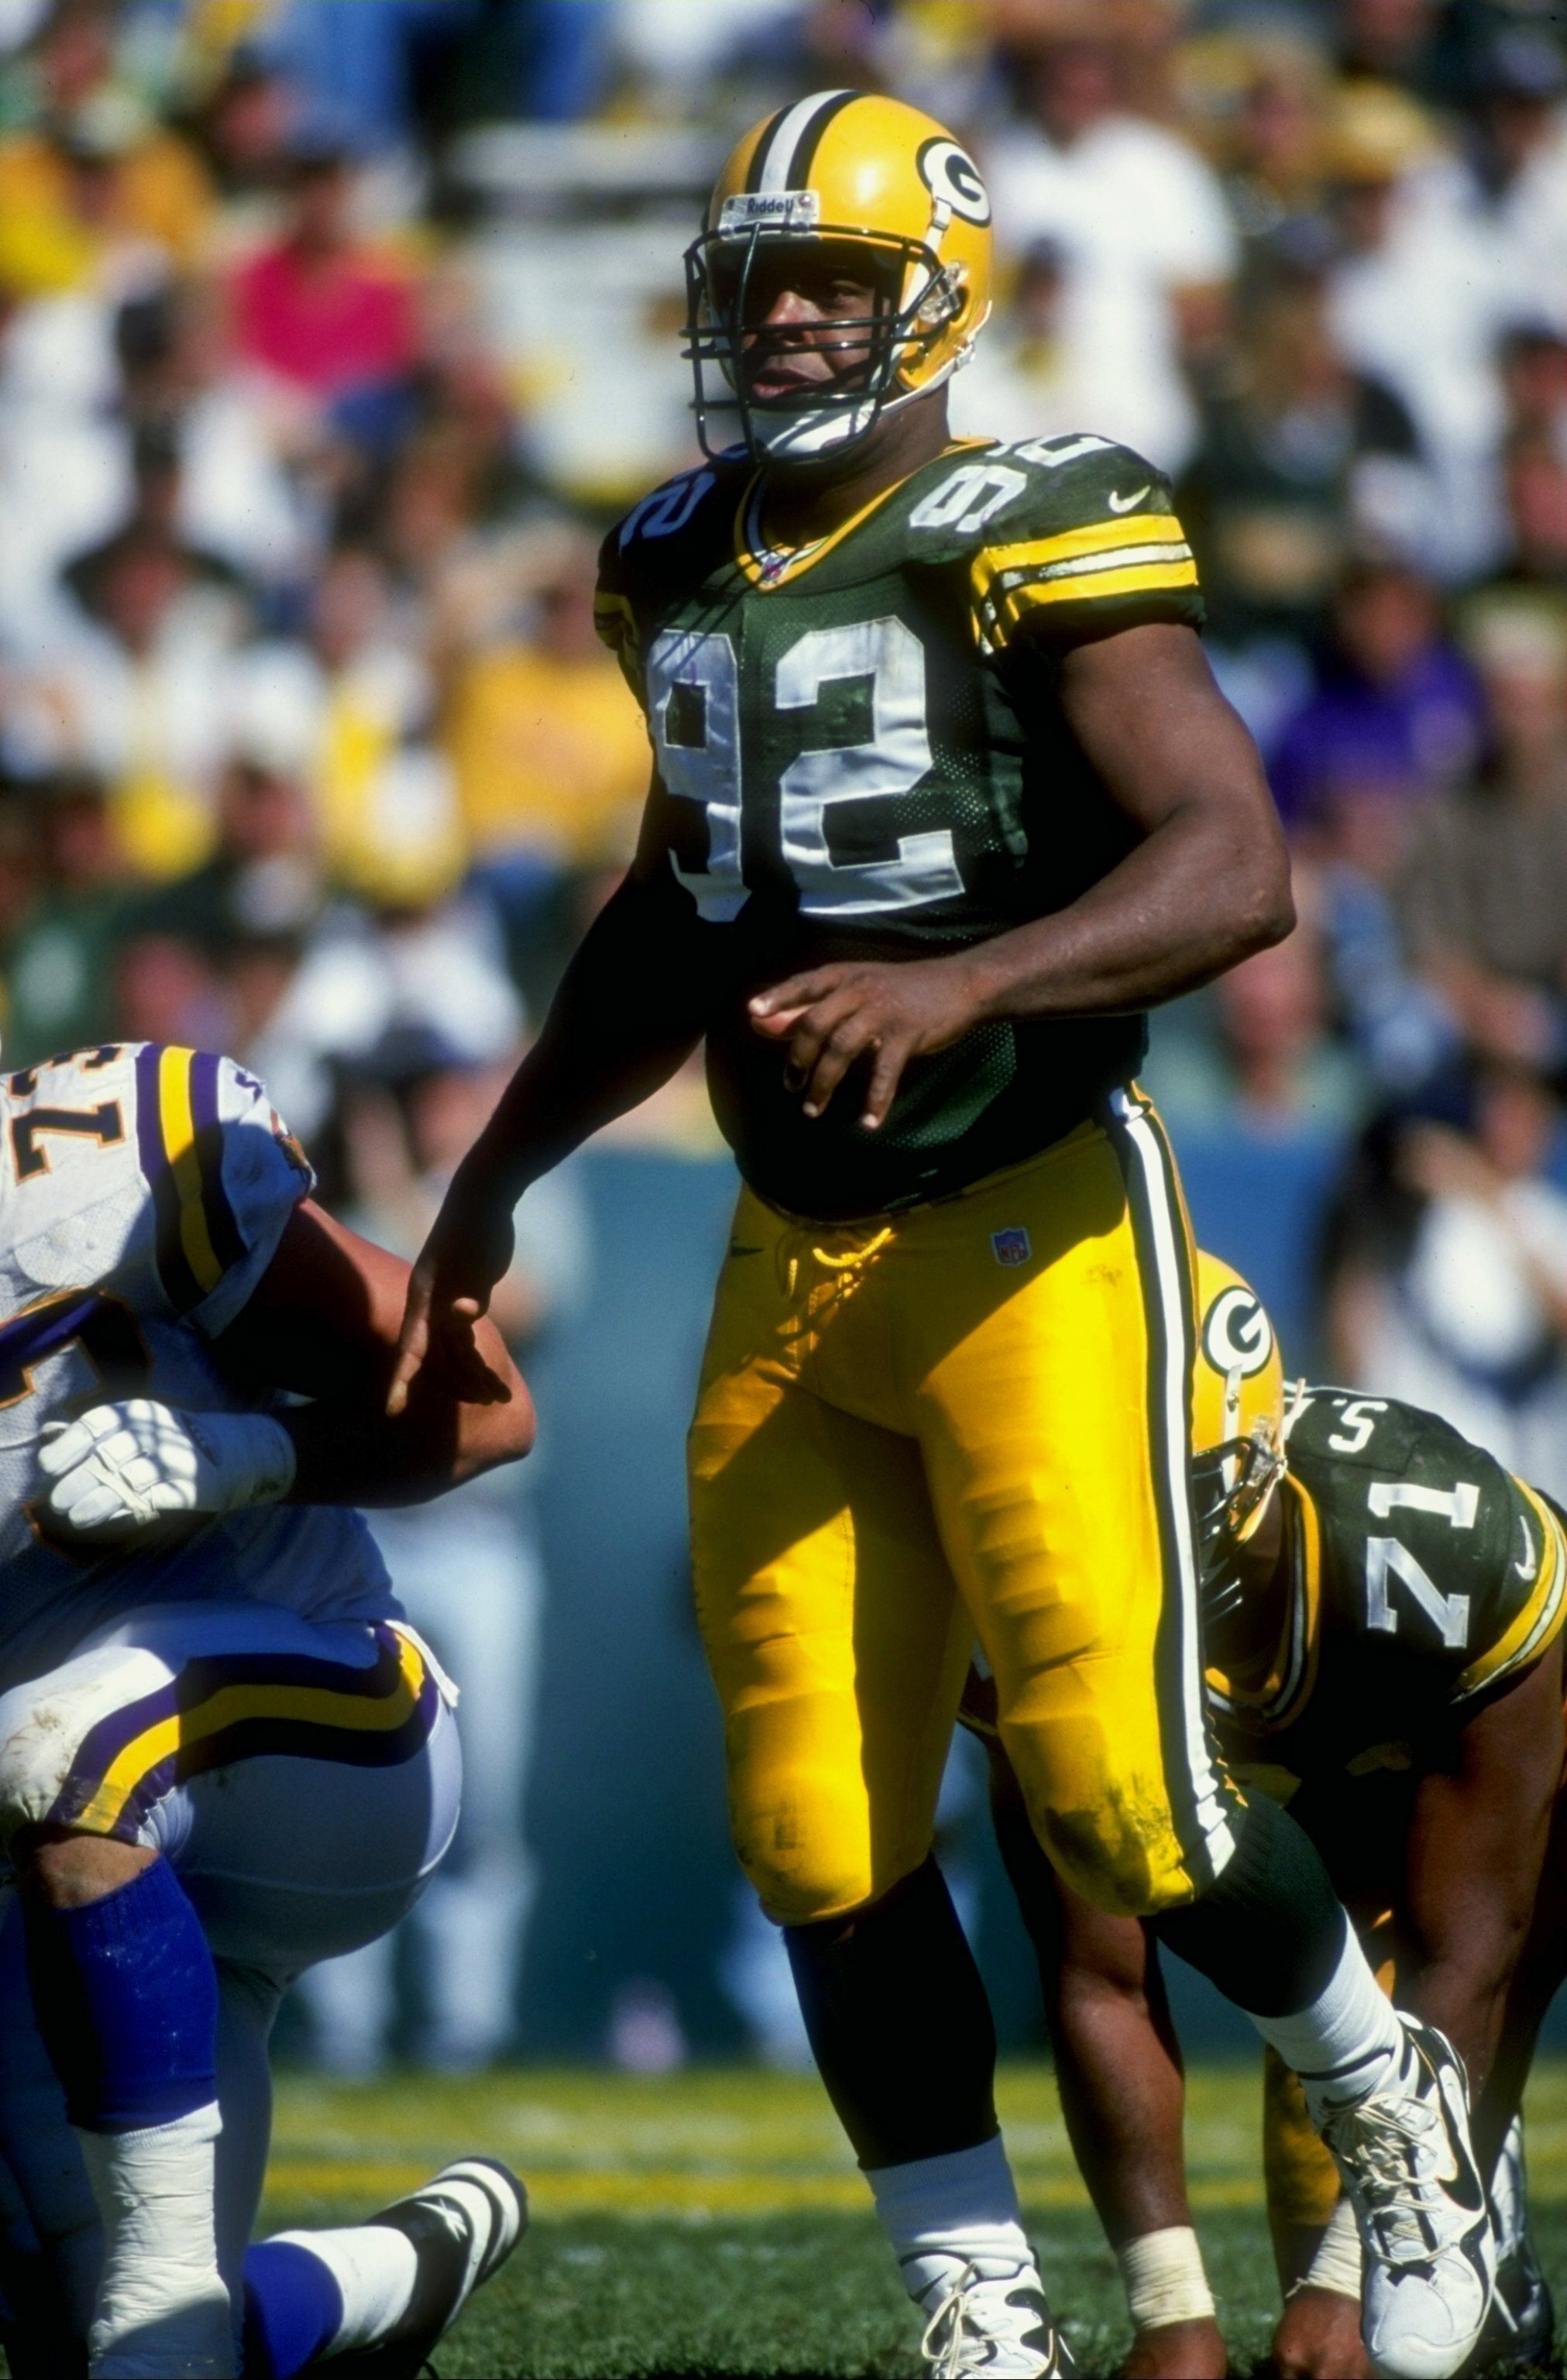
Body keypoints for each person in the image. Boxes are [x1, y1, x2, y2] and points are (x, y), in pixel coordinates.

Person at [390, 92, 1494, 2380]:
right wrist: (494, 1176)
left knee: (1122, 1796)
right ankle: (975, 2306)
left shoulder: (1035, 517)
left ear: (943, 298)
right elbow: (674, 914)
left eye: (835, 281)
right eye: (759, 281)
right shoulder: (673, 555)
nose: (787, 321)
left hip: (1031, 1222)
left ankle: (1396, 2125)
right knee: (815, 1827)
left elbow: (1234, 862)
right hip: (796, 1258)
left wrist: (966, 981)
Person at [0, 1038, 534, 2375]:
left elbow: (484, 1405)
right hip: (61, 1869)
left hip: (328, 1720)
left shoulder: (100, 1158)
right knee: (69, 2342)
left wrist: (247, 1455)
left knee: (64, 1745)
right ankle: (392, 2273)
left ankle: (168, 2329)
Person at [966, 1254, 1566, 2379]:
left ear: (1248, 1459)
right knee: (1310, 2071)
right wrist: (1171, 2314)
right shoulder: (1024, 1584)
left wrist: (1349, 2274)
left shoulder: (1440, 1542)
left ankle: (1478, 2214)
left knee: (1371, 2312)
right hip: (1293, 1780)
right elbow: (1097, 1968)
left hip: (1452, 1752)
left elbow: (1477, 1945)